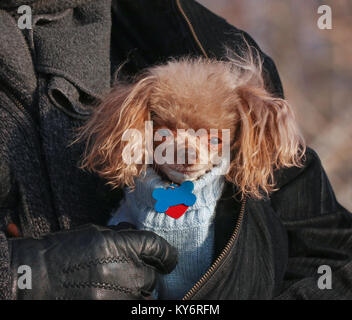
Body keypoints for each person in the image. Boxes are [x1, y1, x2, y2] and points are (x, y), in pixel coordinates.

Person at [0, 0, 351, 300]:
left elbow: (331, 251)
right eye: (165, 133)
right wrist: (19, 277)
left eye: (212, 139)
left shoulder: (199, 38)